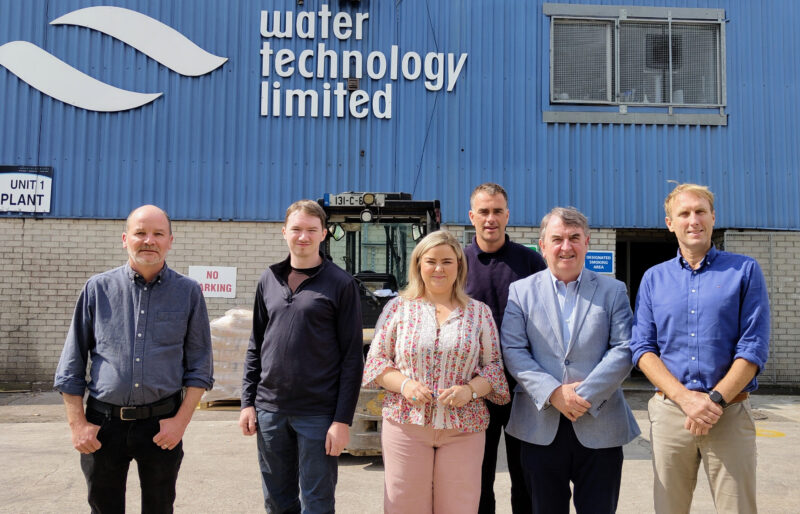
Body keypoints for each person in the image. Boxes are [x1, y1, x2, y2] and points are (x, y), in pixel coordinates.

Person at [53, 204, 214, 513]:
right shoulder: (97, 289)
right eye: (140, 233)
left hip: (161, 426)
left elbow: (200, 366)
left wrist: (180, 423)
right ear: (125, 239)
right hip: (103, 425)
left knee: (159, 507)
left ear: (170, 240)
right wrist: (78, 425)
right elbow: (71, 364)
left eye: (158, 234)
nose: (149, 240)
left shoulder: (189, 293)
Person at [630, 183, 770, 514]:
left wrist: (714, 401)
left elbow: (753, 347)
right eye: (684, 213)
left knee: (739, 509)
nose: (693, 220)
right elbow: (642, 349)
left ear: (712, 218)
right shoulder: (654, 279)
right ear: (670, 223)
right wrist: (686, 399)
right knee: (669, 508)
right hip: (670, 416)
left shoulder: (744, 271)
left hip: (730, 413)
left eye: (700, 211)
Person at [501, 207, 640, 514]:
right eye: (558, 238)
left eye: (574, 238)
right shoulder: (521, 292)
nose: (566, 247)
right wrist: (553, 393)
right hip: (539, 425)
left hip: (599, 422)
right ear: (543, 245)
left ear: (587, 242)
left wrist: (582, 395)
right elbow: (513, 350)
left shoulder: (613, 291)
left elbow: (624, 348)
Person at [363, 230, 510, 513]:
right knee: (404, 505)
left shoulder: (479, 313)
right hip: (407, 426)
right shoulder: (398, 309)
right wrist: (405, 385)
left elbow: (494, 369)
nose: (439, 268)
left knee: (459, 506)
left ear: (459, 266)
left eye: (447, 261)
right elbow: (376, 361)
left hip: (463, 429)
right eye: (431, 261)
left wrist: (469, 390)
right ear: (419, 264)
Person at [239, 199, 363, 513]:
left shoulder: (341, 284)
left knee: (317, 502)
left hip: (318, 414)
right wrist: (247, 402)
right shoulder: (269, 279)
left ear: (324, 233)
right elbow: (257, 344)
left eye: (311, 230)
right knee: (277, 501)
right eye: (296, 229)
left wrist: (341, 420)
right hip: (270, 410)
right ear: (284, 232)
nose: (303, 236)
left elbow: (352, 358)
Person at [464, 183, 546, 514]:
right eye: (484, 211)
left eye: (497, 211)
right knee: (476, 479)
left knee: (525, 478)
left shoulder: (530, 262)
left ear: (507, 215)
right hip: (473, 390)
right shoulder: (457, 263)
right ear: (472, 216)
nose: (491, 218)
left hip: (522, 389)